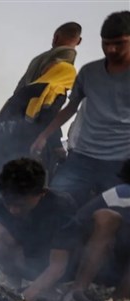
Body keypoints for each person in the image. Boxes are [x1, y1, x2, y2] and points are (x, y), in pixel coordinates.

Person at [31, 11, 130, 207]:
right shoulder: (89, 73)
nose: (111, 49)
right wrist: (44, 135)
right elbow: (70, 109)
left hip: (119, 161)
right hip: (82, 156)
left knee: (113, 210)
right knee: (54, 202)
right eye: (106, 43)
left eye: (119, 43)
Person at [0, 27, 80, 207]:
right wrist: (56, 145)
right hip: (28, 148)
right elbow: (50, 111)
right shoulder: (63, 74)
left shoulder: (18, 97)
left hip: (3, 146)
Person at [0, 158, 77, 301]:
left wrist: (25, 298)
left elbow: (58, 265)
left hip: (62, 270)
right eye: (9, 203)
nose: (13, 210)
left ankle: (53, 290)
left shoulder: (61, 205)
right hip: (26, 264)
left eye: (21, 204)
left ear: (42, 193)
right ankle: (14, 287)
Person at [64, 159, 130, 301]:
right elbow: (77, 224)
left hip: (121, 274)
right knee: (106, 217)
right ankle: (77, 290)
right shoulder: (118, 194)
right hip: (103, 265)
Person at [15, 22, 82, 92]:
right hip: (35, 100)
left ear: (56, 37)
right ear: (79, 41)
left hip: (19, 100)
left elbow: (19, 87)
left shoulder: (37, 59)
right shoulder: (67, 56)